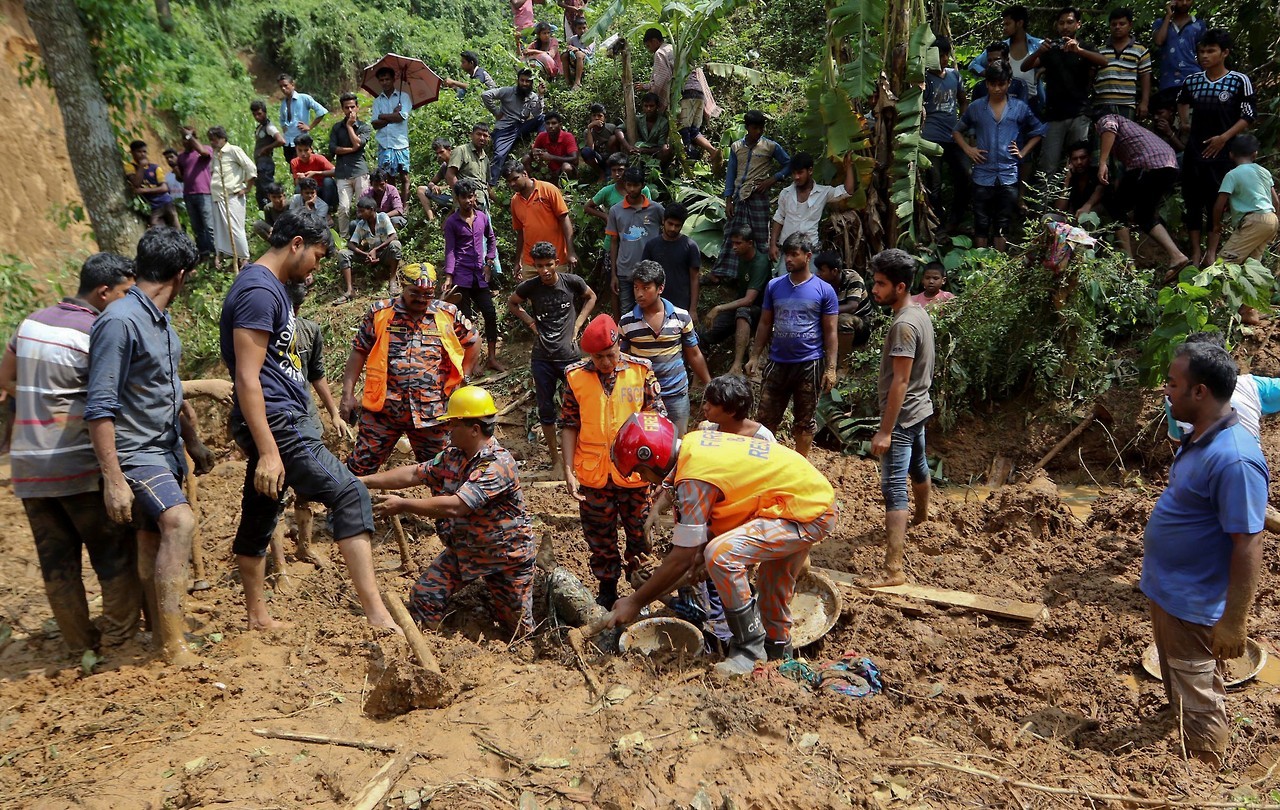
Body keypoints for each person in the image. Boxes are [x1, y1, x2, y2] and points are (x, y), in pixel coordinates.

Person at [220, 210, 396, 632]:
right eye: (317, 254)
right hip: (279, 421)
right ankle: (377, 615)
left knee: (262, 508)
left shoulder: (272, 289)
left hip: (282, 416)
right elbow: (247, 376)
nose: (318, 265)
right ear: (296, 243)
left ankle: (257, 617)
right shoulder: (259, 292)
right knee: (350, 494)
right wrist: (266, 450)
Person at [606, 412, 837, 674]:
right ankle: (777, 660)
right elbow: (713, 522)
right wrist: (698, 561)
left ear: (652, 457)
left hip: (803, 510)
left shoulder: (694, 474)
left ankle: (749, 650)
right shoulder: (695, 447)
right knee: (771, 585)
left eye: (640, 470)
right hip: (807, 503)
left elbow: (684, 553)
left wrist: (636, 601)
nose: (645, 479)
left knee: (722, 554)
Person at [85, 228, 216, 664]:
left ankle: (162, 632)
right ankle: (173, 644)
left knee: (149, 539)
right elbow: (100, 406)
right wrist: (114, 479)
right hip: (136, 452)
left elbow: (167, 387)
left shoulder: (159, 321)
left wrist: (192, 439)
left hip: (165, 447)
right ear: (181, 276)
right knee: (179, 522)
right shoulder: (119, 321)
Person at [0, 254, 140, 656]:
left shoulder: (31, 322)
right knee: (112, 553)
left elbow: (6, 378)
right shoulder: (97, 333)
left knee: (56, 562)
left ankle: (81, 646)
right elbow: (115, 396)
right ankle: (118, 641)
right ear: (103, 292)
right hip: (76, 465)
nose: (128, 303)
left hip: (27, 467)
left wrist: (41, 397)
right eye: (125, 294)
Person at [1143, 340, 1267, 767]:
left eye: (1173, 384)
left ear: (1200, 392)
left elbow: (1247, 543)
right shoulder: (1198, 437)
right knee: (1182, 676)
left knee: (1199, 692)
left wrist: (1234, 622)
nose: (1166, 391)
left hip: (1193, 602)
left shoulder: (1234, 459)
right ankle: (1184, 729)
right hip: (1170, 592)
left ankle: (1203, 770)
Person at [359, 386, 536, 633]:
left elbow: (457, 506)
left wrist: (403, 505)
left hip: (504, 557)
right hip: (465, 550)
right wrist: (365, 480)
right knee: (424, 598)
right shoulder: (453, 455)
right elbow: (414, 473)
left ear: (474, 429)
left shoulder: (498, 465)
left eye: (453, 424)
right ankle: (436, 643)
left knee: (517, 628)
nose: (447, 429)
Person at [560, 314, 666, 606]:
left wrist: (660, 473)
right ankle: (607, 590)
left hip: (635, 472)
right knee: (599, 536)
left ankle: (640, 591)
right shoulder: (575, 376)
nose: (605, 362)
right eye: (598, 357)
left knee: (640, 534)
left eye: (609, 355)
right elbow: (569, 425)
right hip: (593, 473)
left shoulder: (641, 371)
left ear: (619, 346)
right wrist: (568, 471)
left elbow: (657, 424)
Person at [341, 263, 480, 476]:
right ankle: (348, 507)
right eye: (415, 293)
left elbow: (473, 340)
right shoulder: (381, 312)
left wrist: (465, 376)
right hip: (384, 410)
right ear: (402, 287)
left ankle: (437, 509)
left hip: (432, 412)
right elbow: (359, 351)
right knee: (360, 467)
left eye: (428, 294)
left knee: (442, 473)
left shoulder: (446, 314)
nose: (422, 299)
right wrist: (347, 394)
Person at [863, 249, 935, 589]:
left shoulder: (905, 325)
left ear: (901, 286)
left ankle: (893, 570)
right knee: (919, 466)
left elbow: (901, 381)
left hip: (904, 415)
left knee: (893, 487)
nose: (874, 290)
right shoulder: (918, 312)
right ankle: (921, 516)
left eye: (881, 284)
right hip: (919, 408)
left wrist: (885, 431)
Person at [745, 234, 839, 457]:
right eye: (787, 254)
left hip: (809, 363)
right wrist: (754, 356)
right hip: (777, 362)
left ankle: (801, 466)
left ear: (807, 257)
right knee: (765, 418)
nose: (788, 259)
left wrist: (831, 368)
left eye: (794, 254)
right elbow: (765, 323)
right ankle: (762, 464)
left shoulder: (824, 290)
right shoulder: (774, 286)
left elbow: (831, 331)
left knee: (805, 421)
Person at [509, 242, 597, 476]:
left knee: (579, 408)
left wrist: (578, 325)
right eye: (539, 266)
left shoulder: (571, 282)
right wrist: (530, 323)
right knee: (546, 410)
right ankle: (556, 460)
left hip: (570, 357)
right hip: (542, 358)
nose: (545, 270)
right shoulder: (530, 287)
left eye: (549, 265)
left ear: (557, 263)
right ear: (534, 266)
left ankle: (578, 458)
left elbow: (591, 297)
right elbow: (513, 303)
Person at [282, 279, 347, 566]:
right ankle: (284, 563)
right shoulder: (264, 331)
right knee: (278, 493)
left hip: (304, 419)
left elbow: (316, 374)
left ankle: (303, 548)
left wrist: (333, 412)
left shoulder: (309, 331)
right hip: (282, 421)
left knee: (300, 491)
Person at [1178, 29, 1255, 266]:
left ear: (1224, 53)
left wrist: (1224, 137)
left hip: (1223, 154)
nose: (1204, 56)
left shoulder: (1239, 80)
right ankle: (1194, 253)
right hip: (1195, 152)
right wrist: (1185, 124)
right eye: (1201, 51)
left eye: (1210, 51)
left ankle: (1211, 253)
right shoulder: (1192, 80)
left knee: (1216, 202)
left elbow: (1248, 115)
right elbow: (1181, 101)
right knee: (1192, 202)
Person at [953, 62, 1046, 251]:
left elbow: (1039, 130)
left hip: (1008, 173)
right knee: (981, 222)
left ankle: (998, 269)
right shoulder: (976, 107)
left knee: (1002, 223)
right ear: (986, 84)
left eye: (1001, 84)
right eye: (992, 84)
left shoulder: (1019, 107)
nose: (997, 89)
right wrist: (969, 150)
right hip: (982, 174)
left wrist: (1023, 152)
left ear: (1008, 83)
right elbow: (956, 131)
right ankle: (980, 267)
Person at [1093, 111, 1192, 274]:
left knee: (1116, 208)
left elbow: (1109, 127)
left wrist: (1102, 162)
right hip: (1167, 165)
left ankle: (1129, 264)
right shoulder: (1132, 132)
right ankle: (1177, 256)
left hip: (1150, 164)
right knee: (1143, 215)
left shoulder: (1108, 118)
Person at [620, 261, 712, 434]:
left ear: (660, 288)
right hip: (644, 395)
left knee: (677, 444)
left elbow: (694, 354)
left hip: (676, 393)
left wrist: (709, 384)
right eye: (636, 287)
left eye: (645, 288)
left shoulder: (681, 317)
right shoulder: (626, 322)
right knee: (648, 444)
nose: (639, 294)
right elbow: (621, 359)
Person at [1019, 7, 1099, 178]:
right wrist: (1040, 51)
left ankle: (1077, 203)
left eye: (1070, 22)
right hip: (1054, 116)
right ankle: (1045, 204)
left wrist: (1079, 51)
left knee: (1080, 163)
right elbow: (1025, 66)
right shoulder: (1051, 48)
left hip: (1080, 113)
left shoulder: (1085, 47)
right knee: (1048, 165)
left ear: (1078, 24)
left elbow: (1103, 62)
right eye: (1061, 23)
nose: (1065, 26)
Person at [1207, 135, 1278, 323]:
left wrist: (1216, 225)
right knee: (1252, 267)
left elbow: (1219, 204)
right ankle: (1249, 312)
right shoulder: (1263, 171)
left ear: (1230, 154)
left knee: (1224, 263)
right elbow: (1276, 200)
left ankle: (1213, 307)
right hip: (1271, 218)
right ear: (1255, 154)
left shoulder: (1232, 174)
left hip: (1254, 220)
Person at [713, 110, 792, 280]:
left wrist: (773, 179)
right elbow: (730, 175)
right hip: (739, 197)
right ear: (747, 127)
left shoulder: (771, 147)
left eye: (761, 128)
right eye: (755, 128)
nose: (759, 131)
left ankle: (761, 276)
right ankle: (726, 273)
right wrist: (728, 200)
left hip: (758, 197)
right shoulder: (736, 147)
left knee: (760, 236)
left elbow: (789, 164)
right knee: (732, 235)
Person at [1164, 331, 1280, 442]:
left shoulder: (1175, 396)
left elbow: (1178, 440)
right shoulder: (1251, 386)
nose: (1167, 391)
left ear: (1200, 391)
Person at [635, 28, 721, 166]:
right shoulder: (678, 50)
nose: (649, 49)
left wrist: (648, 89)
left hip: (683, 93)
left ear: (655, 41)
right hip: (698, 92)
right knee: (694, 131)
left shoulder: (660, 53)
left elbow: (662, 79)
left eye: (648, 45)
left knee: (683, 131)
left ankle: (690, 166)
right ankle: (711, 152)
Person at [443, 179, 502, 372]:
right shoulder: (452, 222)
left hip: (480, 275)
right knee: (465, 320)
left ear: (475, 196)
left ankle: (492, 358)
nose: (468, 200)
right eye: (464, 197)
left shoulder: (482, 217)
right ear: (457, 199)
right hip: (462, 275)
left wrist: (490, 261)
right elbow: (450, 250)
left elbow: (491, 239)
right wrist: (449, 276)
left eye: (471, 196)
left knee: (490, 313)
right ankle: (471, 362)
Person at [768, 152, 853, 276]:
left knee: (809, 287)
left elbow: (848, 190)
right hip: (787, 251)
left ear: (810, 170)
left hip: (810, 251)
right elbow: (779, 218)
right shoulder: (785, 193)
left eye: (800, 173)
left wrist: (849, 167)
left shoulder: (823, 192)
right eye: (793, 173)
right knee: (784, 286)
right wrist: (772, 244)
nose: (796, 177)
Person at [701, 226, 771, 375]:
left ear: (750, 243)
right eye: (733, 243)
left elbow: (749, 300)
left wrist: (719, 308)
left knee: (743, 311)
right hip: (740, 306)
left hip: (760, 311)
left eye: (738, 243)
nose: (734, 247)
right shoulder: (742, 259)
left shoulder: (760, 263)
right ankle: (700, 377)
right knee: (704, 334)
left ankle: (737, 364)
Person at [922, 38, 969, 232]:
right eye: (940, 56)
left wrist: (964, 124)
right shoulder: (923, 80)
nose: (944, 59)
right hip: (931, 139)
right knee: (934, 184)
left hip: (953, 137)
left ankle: (955, 221)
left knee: (967, 176)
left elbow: (963, 101)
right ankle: (938, 225)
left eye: (946, 55)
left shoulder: (954, 76)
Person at [505, 160, 577, 279]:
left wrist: (571, 252)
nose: (512, 184)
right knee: (530, 296)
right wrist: (518, 261)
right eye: (509, 181)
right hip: (531, 262)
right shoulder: (515, 201)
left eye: (515, 179)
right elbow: (520, 232)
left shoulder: (548, 189)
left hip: (555, 259)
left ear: (524, 174)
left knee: (559, 295)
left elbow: (564, 219)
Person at [608, 167, 666, 314]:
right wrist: (614, 274)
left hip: (651, 271)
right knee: (627, 311)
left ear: (643, 185)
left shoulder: (656, 209)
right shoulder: (615, 210)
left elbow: (667, 232)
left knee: (651, 308)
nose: (632, 189)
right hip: (625, 270)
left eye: (636, 185)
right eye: (628, 185)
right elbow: (614, 242)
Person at [968, 5, 1043, 111]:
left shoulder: (1037, 45)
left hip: (1032, 102)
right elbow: (973, 65)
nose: (1004, 28)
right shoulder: (1001, 49)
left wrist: (1040, 73)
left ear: (1019, 23)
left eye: (1008, 24)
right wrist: (991, 73)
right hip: (1005, 103)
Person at [482, 69, 545, 187]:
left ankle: (540, 145)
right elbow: (486, 95)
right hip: (505, 129)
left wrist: (541, 95)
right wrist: (496, 112)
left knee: (543, 118)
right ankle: (491, 183)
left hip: (521, 126)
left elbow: (537, 114)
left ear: (532, 83)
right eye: (522, 80)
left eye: (528, 81)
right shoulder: (507, 91)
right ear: (518, 80)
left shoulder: (532, 96)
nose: (525, 84)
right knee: (500, 155)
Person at [335, 197, 402, 304]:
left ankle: (392, 281)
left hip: (385, 254)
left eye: (362, 211)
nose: (359, 214)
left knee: (396, 245)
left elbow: (393, 236)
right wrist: (366, 254)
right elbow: (351, 244)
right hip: (370, 256)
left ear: (371, 209)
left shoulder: (383, 217)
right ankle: (350, 290)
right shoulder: (361, 224)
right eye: (358, 211)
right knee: (343, 253)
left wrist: (376, 249)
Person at [208, 126, 257, 269]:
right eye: (210, 140)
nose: (212, 143)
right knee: (221, 229)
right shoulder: (216, 154)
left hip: (232, 196)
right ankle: (227, 256)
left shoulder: (233, 150)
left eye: (215, 139)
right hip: (219, 197)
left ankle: (244, 258)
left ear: (223, 138)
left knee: (236, 228)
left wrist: (247, 188)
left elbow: (250, 168)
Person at [642, 202, 702, 317]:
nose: (673, 228)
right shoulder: (651, 245)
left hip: (681, 307)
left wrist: (693, 309)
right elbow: (644, 277)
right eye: (670, 223)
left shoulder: (690, 246)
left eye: (677, 225)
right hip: (655, 305)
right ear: (663, 220)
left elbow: (694, 279)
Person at [1093, 8, 1152, 120]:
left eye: (1122, 24)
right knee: (1101, 137)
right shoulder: (1099, 51)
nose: (1117, 27)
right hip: (1102, 105)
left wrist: (1144, 103)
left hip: (1127, 105)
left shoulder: (1141, 50)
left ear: (1130, 25)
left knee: (1126, 137)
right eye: (1114, 24)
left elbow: (1145, 77)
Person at [329, 92, 373, 237]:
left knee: (363, 207)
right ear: (342, 109)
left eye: (352, 107)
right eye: (346, 108)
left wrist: (349, 126)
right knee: (343, 208)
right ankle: (344, 238)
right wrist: (352, 149)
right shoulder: (336, 128)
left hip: (360, 171)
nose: (350, 110)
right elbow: (333, 149)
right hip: (343, 173)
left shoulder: (364, 127)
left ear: (357, 108)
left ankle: (364, 237)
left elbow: (359, 143)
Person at [815, 251, 876, 346]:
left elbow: (852, 306)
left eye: (822, 270)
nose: (818, 274)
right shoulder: (821, 283)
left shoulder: (853, 278)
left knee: (843, 320)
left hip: (862, 323)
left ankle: (844, 359)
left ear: (834, 271)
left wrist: (824, 311)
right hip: (834, 319)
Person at [1151, 0, 1206, 106]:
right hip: (1168, 81)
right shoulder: (1160, 23)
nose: (1184, 3)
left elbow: (1202, 54)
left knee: (1189, 119)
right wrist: (1168, 17)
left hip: (1193, 80)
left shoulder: (1199, 24)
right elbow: (1159, 41)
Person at [371, 66, 412, 203]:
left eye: (387, 79)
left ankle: (404, 206)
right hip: (384, 143)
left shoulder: (404, 97)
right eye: (381, 80)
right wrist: (392, 115)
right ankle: (394, 205)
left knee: (404, 176)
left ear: (394, 79)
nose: (385, 82)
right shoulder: (377, 101)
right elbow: (375, 124)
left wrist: (384, 116)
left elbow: (401, 117)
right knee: (388, 178)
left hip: (400, 143)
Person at [174, 126, 215, 261]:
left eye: (189, 138)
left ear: (195, 138)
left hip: (204, 193)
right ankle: (204, 254)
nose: (186, 141)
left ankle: (217, 253)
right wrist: (175, 168)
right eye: (184, 138)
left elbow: (203, 152)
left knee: (209, 226)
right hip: (188, 194)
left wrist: (189, 136)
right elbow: (181, 177)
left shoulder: (205, 149)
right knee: (197, 227)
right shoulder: (181, 157)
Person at [697, 374, 775, 441]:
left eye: (713, 404)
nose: (705, 407)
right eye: (707, 401)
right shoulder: (706, 429)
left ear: (731, 411)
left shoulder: (762, 438)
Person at [125, 140, 180, 229]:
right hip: (153, 208)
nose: (142, 154)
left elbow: (164, 188)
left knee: (177, 230)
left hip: (166, 202)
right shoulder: (130, 167)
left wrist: (144, 190)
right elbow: (136, 183)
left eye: (144, 152)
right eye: (139, 152)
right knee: (158, 232)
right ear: (132, 152)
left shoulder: (155, 168)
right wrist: (141, 167)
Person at [277, 73, 328, 163]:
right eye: (281, 86)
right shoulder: (283, 103)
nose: (283, 89)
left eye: (285, 85)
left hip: (301, 142)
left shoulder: (304, 98)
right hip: (288, 142)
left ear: (292, 85)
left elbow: (321, 111)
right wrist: (284, 128)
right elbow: (282, 119)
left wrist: (310, 127)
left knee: (304, 166)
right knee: (293, 168)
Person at [445, 123, 493, 208]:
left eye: (485, 136)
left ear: (488, 138)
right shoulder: (461, 151)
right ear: (471, 135)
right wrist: (465, 197)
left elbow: (486, 185)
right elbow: (450, 175)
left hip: (482, 204)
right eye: (478, 134)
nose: (482, 138)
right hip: (466, 205)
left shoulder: (485, 159)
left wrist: (500, 202)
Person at [1056, 141, 1106, 220]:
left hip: (1094, 214)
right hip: (1074, 218)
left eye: (1083, 158)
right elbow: (1060, 210)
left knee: (1086, 217)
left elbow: (1100, 190)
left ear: (1089, 158)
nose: (1079, 162)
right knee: (1048, 218)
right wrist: (1067, 179)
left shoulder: (1097, 173)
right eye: (1075, 159)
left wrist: (1088, 205)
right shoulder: (1070, 177)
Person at [526, 110, 579, 180]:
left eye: (554, 123)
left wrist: (551, 157)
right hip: (548, 170)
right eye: (548, 123)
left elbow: (574, 159)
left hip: (563, 170)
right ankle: (535, 184)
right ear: (544, 125)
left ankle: (565, 188)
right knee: (526, 159)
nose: (550, 126)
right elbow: (533, 152)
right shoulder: (542, 136)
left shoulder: (568, 136)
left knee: (567, 167)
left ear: (560, 125)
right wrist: (533, 153)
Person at [288, 134, 337, 211]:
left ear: (311, 149)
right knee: (298, 188)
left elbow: (335, 171)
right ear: (296, 150)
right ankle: (303, 209)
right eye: (300, 150)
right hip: (308, 191)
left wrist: (316, 173)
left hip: (323, 190)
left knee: (328, 181)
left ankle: (328, 208)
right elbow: (296, 183)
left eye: (306, 150)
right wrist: (300, 178)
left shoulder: (319, 158)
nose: (303, 154)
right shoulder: (294, 162)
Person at [251, 100, 285, 209]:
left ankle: (275, 211)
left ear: (265, 113)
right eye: (254, 114)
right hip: (260, 163)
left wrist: (267, 148)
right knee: (260, 192)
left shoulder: (269, 127)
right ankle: (265, 213)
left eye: (259, 114)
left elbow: (281, 141)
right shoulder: (260, 127)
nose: (257, 117)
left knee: (268, 189)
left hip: (265, 163)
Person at [580, 103, 628, 172]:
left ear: (604, 118)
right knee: (586, 151)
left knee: (613, 138)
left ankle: (614, 167)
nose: (596, 118)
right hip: (599, 158)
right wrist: (589, 128)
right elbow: (590, 149)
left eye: (599, 116)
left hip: (612, 157)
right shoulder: (587, 132)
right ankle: (600, 172)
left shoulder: (611, 128)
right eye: (594, 116)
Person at [416, 138, 455, 220]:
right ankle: (431, 219)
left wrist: (443, 188)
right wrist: (433, 186)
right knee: (421, 189)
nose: (439, 156)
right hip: (448, 197)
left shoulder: (457, 163)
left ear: (449, 150)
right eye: (437, 153)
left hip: (459, 198)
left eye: (441, 152)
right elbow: (431, 182)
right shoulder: (444, 166)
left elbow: (461, 185)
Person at [634, 92, 674, 165]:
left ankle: (662, 171)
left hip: (655, 152)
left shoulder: (663, 122)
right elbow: (619, 129)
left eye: (651, 106)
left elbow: (660, 146)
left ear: (657, 107)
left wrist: (643, 150)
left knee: (665, 149)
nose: (648, 109)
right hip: (638, 150)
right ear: (642, 107)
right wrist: (627, 146)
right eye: (646, 106)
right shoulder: (638, 119)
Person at [563, 16, 594, 90]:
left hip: (587, 60)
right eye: (579, 28)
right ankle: (567, 80)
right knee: (564, 55)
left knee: (579, 54)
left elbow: (589, 52)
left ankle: (577, 82)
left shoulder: (590, 38)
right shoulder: (573, 39)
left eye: (584, 28)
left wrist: (578, 49)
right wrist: (569, 49)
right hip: (575, 59)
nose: (582, 30)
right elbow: (569, 47)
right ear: (575, 29)